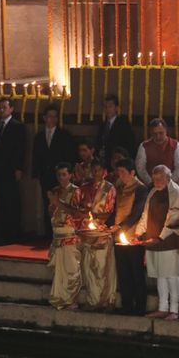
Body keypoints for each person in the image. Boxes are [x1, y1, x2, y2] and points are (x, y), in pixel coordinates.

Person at [135, 165, 179, 321]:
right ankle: (163, 308)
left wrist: (160, 238)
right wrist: (139, 233)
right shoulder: (153, 192)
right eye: (154, 179)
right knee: (160, 275)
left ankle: (174, 309)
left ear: (168, 178)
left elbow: (175, 216)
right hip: (153, 239)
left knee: (171, 275)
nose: (156, 182)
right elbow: (145, 214)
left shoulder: (176, 192)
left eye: (160, 179)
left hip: (168, 240)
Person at [110, 158, 148, 315]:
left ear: (132, 172)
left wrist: (121, 226)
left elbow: (137, 212)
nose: (120, 175)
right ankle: (126, 304)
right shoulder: (119, 186)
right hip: (119, 235)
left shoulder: (140, 189)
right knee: (123, 271)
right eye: (118, 172)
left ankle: (139, 306)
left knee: (136, 271)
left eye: (123, 172)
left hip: (134, 236)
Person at [32, 104, 75, 238]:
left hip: (59, 176)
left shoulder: (63, 135)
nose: (52, 119)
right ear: (45, 118)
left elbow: (69, 155)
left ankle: (61, 231)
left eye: (55, 116)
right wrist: (35, 173)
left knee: (61, 202)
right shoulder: (39, 136)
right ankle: (47, 232)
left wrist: (66, 173)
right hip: (45, 174)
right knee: (47, 203)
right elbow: (35, 156)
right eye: (50, 116)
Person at [78, 159, 117, 311]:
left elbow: (109, 210)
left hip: (102, 232)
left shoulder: (109, 188)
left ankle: (107, 300)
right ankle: (92, 300)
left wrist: (97, 219)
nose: (95, 173)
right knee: (88, 268)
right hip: (88, 233)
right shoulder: (84, 188)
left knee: (103, 268)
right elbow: (80, 207)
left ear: (104, 172)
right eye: (93, 170)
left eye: (99, 170)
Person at [0, 97, 26, 239]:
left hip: (10, 169)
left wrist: (18, 168)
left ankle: (13, 229)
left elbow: (20, 149)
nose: (1, 110)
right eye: (0, 107)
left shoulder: (17, 126)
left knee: (11, 199)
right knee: (0, 199)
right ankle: (2, 228)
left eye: (4, 107)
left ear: (11, 109)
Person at [48, 162, 82, 310]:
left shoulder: (76, 191)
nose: (61, 178)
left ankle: (71, 300)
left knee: (71, 270)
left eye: (64, 174)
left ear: (70, 175)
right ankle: (60, 298)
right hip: (57, 235)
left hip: (69, 235)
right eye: (59, 175)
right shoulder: (55, 191)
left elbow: (77, 213)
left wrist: (58, 203)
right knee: (59, 271)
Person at [136, 118, 179, 186]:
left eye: (161, 133)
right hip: (150, 185)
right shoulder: (144, 146)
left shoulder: (175, 145)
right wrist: (151, 182)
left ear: (166, 131)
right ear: (151, 132)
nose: (158, 136)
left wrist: (169, 182)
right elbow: (140, 168)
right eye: (155, 134)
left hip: (171, 185)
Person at [95, 94, 135, 170]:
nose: (107, 109)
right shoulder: (103, 125)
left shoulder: (123, 123)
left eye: (110, 106)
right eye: (105, 107)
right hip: (105, 161)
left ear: (116, 108)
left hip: (119, 160)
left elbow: (129, 143)